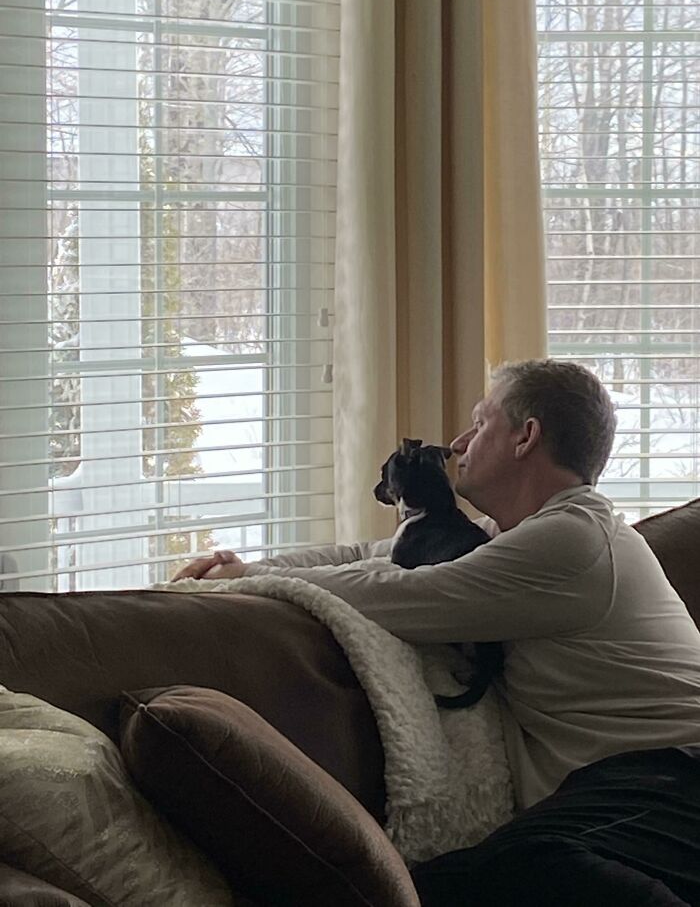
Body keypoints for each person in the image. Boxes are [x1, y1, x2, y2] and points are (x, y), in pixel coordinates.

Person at [173, 359, 700, 906]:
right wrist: (248, 565)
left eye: (480, 422)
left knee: (494, 875)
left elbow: (403, 595)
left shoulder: (572, 542)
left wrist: (250, 578)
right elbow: (368, 555)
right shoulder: (511, 536)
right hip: (626, 791)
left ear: (526, 436)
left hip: (674, 776)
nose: (459, 440)